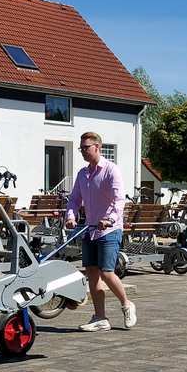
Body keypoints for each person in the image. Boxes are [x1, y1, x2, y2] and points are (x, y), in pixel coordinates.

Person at [65, 132, 136, 331]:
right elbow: (74, 200)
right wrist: (70, 217)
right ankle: (100, 317)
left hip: (109, 230)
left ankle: (126, 304)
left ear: (98, 147)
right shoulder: (82, 174)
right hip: (90, 229)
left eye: (86, 148)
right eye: (81, 148)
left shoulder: (111, 170)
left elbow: (118, 200)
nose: (83, 152)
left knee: (106, 272)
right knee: (92, 273)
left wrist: (110, 219)